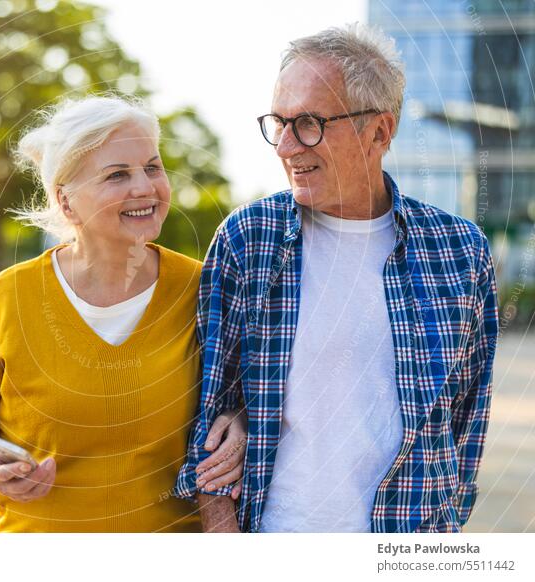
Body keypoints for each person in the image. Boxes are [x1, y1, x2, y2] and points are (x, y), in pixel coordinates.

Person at [174, 23, 498, 533]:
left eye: (307, 123)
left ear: (380, 132)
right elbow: (209, 410)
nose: (284, 146)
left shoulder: (460, 251)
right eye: (277, 123)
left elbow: (466, 419)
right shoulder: (248, 240)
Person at [0, 95, 246, 532]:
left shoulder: (204, 289)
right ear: (66, 201)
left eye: (152, 167)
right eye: (118, 174)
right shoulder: (7, 298)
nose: (145, 186)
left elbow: (244, 396)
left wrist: (241, 423)